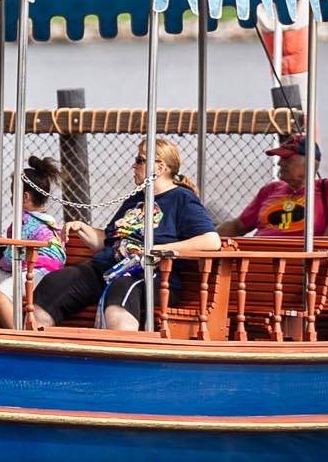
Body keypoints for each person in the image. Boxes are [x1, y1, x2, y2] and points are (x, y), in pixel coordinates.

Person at [32, 139, 220, 331]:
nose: (134, 165)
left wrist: (158, 249)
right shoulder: (136, 198)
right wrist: (82, 228)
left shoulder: (181, 198)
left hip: (150, 273)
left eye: (140, 160)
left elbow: (211, 240)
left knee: (122, 290)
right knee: (55, 283)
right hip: (109, 268)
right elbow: (108, 240)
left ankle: (121, 357)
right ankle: (38, 348)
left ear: (160, 167)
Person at [0, 155, 71, 328]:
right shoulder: (49, 222)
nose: (11, 199)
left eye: (13, 194)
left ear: (24, 197)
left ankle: (18, 339)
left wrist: (1, 265)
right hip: (46, 272)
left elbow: (12, 257)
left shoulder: (24, 223)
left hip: (38, 272)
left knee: (0, 296)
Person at [222, 133, 328, 239]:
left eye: (287, 159)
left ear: (308, 163)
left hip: (302, 264)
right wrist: (209, 236)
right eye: (280, 158)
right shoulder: (270, 190)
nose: (280, 163)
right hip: (258, 260)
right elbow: (238, 225)